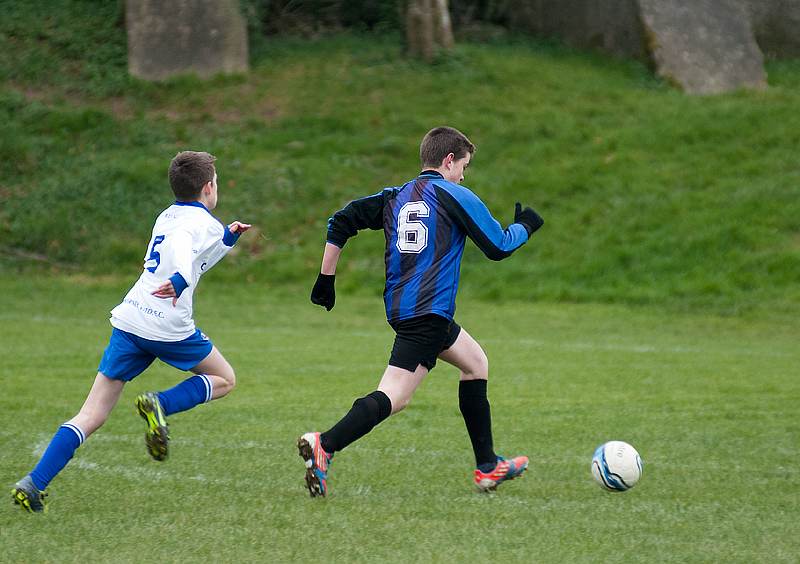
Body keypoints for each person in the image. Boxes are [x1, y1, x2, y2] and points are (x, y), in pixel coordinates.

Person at [298, 126, 544, 498]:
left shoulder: (394, 197)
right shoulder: (454, 194)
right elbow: (497, 246)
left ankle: (488, 466)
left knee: (476, 363)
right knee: (395, 396)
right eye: (464, 165)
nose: (464, 174)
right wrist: (526, 225)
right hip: (428, 313)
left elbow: (341, 220)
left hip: (409, 310)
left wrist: (325, 279)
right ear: (449, 161)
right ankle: (325, 444)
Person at [12, 151, 251, 513]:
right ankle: (161, 404)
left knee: (91, 415)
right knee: (225, 378)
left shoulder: (168, 215)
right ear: (208, 188)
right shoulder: (201, 223)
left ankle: (34, 483)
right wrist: (179, 278)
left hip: (131, 319)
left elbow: (196, 259)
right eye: (216, 181)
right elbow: (186, 256)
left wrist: (226, 240)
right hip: (168, 326)